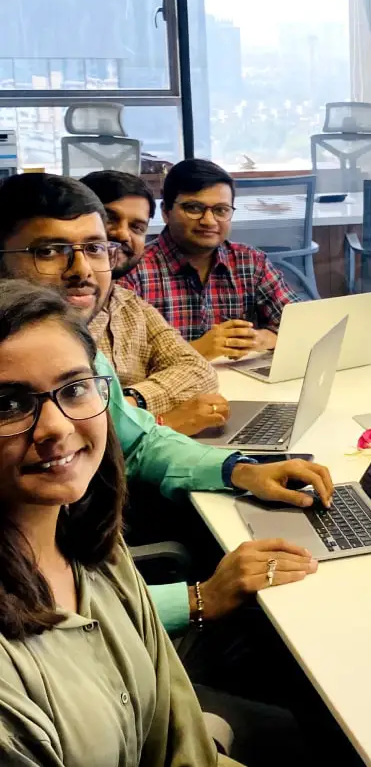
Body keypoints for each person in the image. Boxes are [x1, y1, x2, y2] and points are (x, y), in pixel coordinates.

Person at [0, 173, 330, 637]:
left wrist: (240, 470)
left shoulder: (75, 348)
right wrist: (198, 599)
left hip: (99, 581)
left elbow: (138, 441)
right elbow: (34, 610)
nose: (81, 269)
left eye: (95, 248)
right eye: (50, 251)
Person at [0, 280, 239, 766]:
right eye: (8, 403)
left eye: (75, 389)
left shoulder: (89, 542)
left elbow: (178, 732)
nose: (56, 427)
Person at [78, 171, 230, 437]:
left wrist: (132, 401)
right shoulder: (55, 308)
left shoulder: (128, 303)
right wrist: (164, 422)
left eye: (137, 227)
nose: (122, 234)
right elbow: (80, 419)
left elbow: (199, 371)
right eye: (109, 219)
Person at [120, 159, 301, 362]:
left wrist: (264, 339)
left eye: (221, 210)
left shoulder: (250, 262)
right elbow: (116, 364)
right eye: (194, 208)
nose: (208, 221)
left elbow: (303, 325)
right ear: (166, 212)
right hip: (166, 382)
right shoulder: (133, 270)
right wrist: (197, 350)